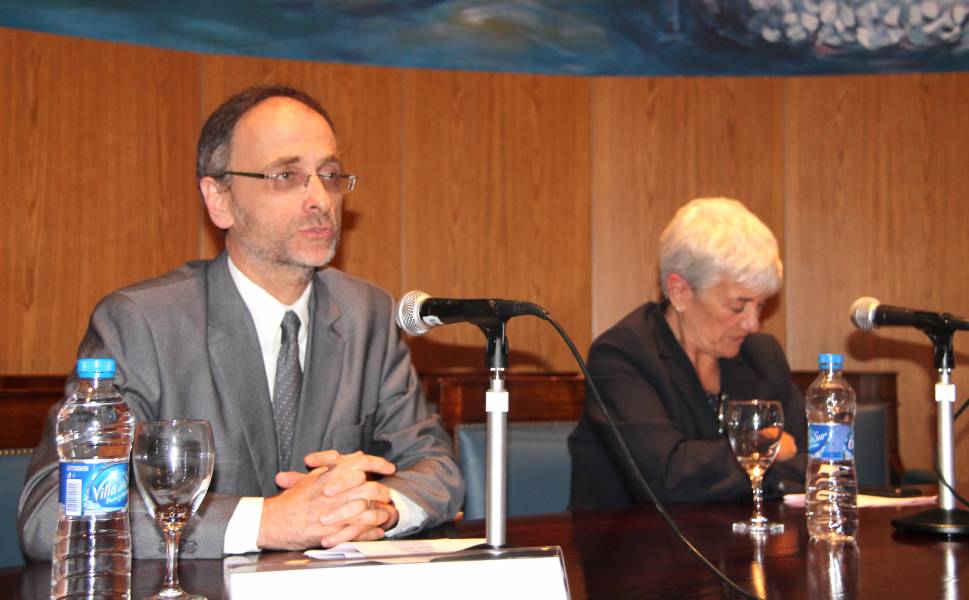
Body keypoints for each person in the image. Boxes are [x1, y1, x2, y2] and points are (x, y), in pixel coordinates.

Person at [18, 85, 464, 560]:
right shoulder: (142, 323)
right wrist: (267, 521)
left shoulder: (366, 313)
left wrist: (382, 506)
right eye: (286, 175)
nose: (320, 199)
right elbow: (52, 516)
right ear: (220, 200)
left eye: (329, 174)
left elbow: (435, 466)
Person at [568, 197, 806, 508]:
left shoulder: (762, 356)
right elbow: (669, 477)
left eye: (760, 305)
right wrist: (764, 453)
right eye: (738, 306)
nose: (753, 323)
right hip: (633, 548)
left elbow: (813, 459)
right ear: (680, 291)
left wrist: (754, 467)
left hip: (738, 548)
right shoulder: (622, 357)